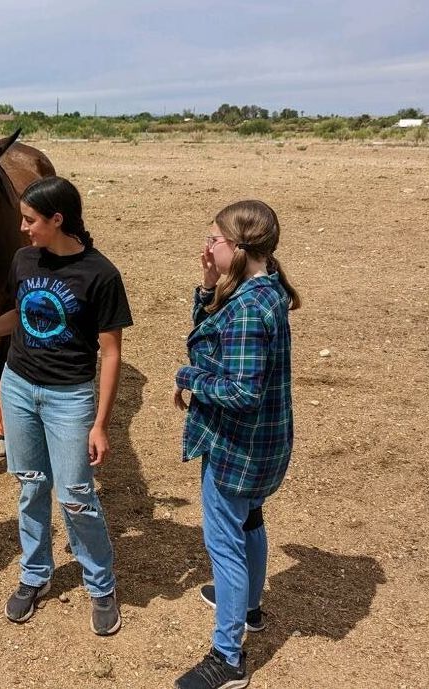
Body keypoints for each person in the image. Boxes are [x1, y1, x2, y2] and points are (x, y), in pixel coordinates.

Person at [0, 176, 132, 636]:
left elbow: (110, 354)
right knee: (30, 486)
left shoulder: (101, 274)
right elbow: (18, 314)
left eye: (30, 220)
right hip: (18, 386)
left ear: (57, 220)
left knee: (75, 496)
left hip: (69, 397)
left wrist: (101, 423)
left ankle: (100, 582)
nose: (23, 228)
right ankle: (35, 574)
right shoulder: (24, 259)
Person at [172, 200, 301, 689]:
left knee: (224, 547)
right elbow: (209, 334)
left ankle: (227, 659)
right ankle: (250, 608)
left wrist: (188, 380)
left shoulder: (247, 308)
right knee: (251, 520)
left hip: (237, 449)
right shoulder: (263, 292)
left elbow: (242, 393)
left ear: (241, 247)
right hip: (268, 445)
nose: (206, 247)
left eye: (214, 240)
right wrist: (206, 286)